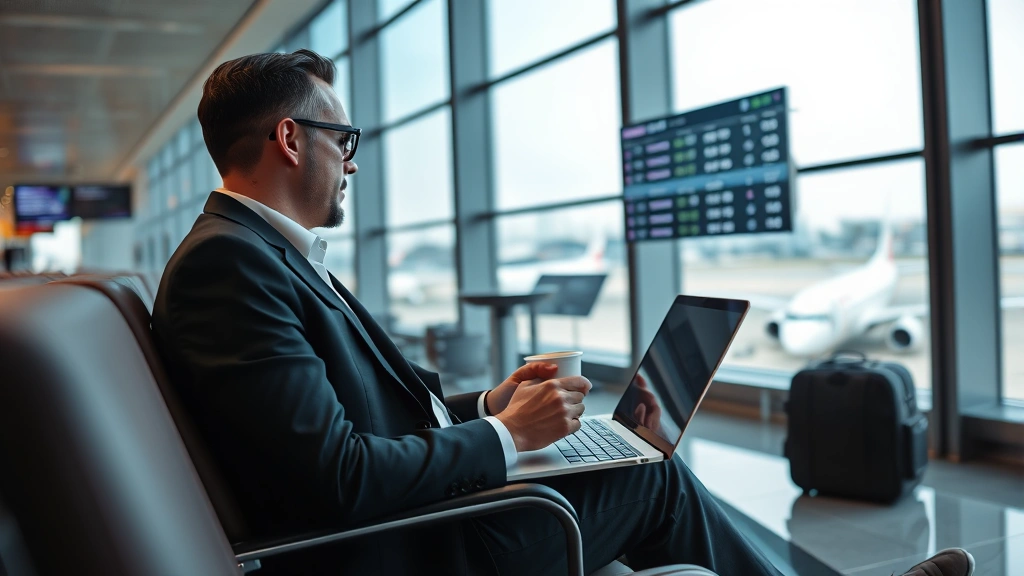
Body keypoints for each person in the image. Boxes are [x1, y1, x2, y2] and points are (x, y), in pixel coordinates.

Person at [152, 49, 974, 576]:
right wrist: (513, 439)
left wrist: (491, 404)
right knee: (652, 473)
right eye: (345, 140)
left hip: (424, 517)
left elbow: (351, 422)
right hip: (422, 548)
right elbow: (337, 481)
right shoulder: (231, 267)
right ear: (293, 140)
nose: (352, 164)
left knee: (632, 458)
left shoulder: (258, 255)